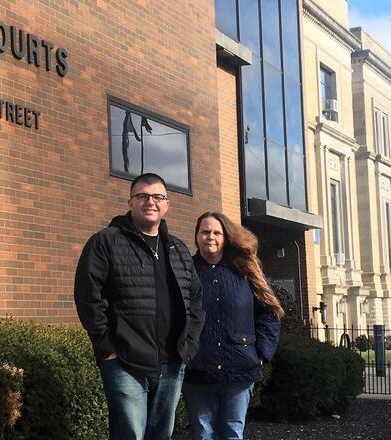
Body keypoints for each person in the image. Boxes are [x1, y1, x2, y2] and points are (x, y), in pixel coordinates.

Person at [74, 173, 205, 440]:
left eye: (158, 197)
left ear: (167, 204)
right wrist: (107, 349)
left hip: (172, 362)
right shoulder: (105, 242)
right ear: (131, 201)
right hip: (124, 361)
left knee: (161, 434)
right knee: (129, 435)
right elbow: (89, 297)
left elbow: (195, 301)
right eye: (142, 196)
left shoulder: (178, 249)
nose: (150, 202)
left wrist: (188, 347)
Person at [183, 212, 283, 440]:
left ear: (226, 237)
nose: (211, 237)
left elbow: (269, 314)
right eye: (205, 231)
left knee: (232, 433)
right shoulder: (186, 271)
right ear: (196, 236)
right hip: (198, 370)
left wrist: (261, 353)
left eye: (217, 232)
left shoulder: (246, 272)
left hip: (240, 368)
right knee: (202, 434)